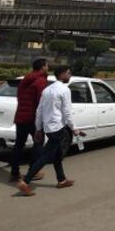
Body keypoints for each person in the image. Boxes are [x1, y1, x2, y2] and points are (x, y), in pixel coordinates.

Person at [16, 66, 85, 196]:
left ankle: (62, 180)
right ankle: (25, 182)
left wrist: (39, 128)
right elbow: (67, 112)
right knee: (46, 156)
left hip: (48, 127)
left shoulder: (47, 90)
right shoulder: (64, 90)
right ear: (63, 74)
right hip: (57, 128)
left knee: (57, 155)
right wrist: (74, 128)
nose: (70, 75)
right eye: (69, 73)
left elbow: (39, 111)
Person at [10, 57, 49, 182]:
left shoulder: (24, 80)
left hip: (20, 117)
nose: (48, 67)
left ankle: (14, 173)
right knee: (38, 144)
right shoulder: (41, 81)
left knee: (18, 145)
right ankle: (33, 172)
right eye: (47, 65)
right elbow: (41, 102)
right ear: (43, 67)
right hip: (33, 118)